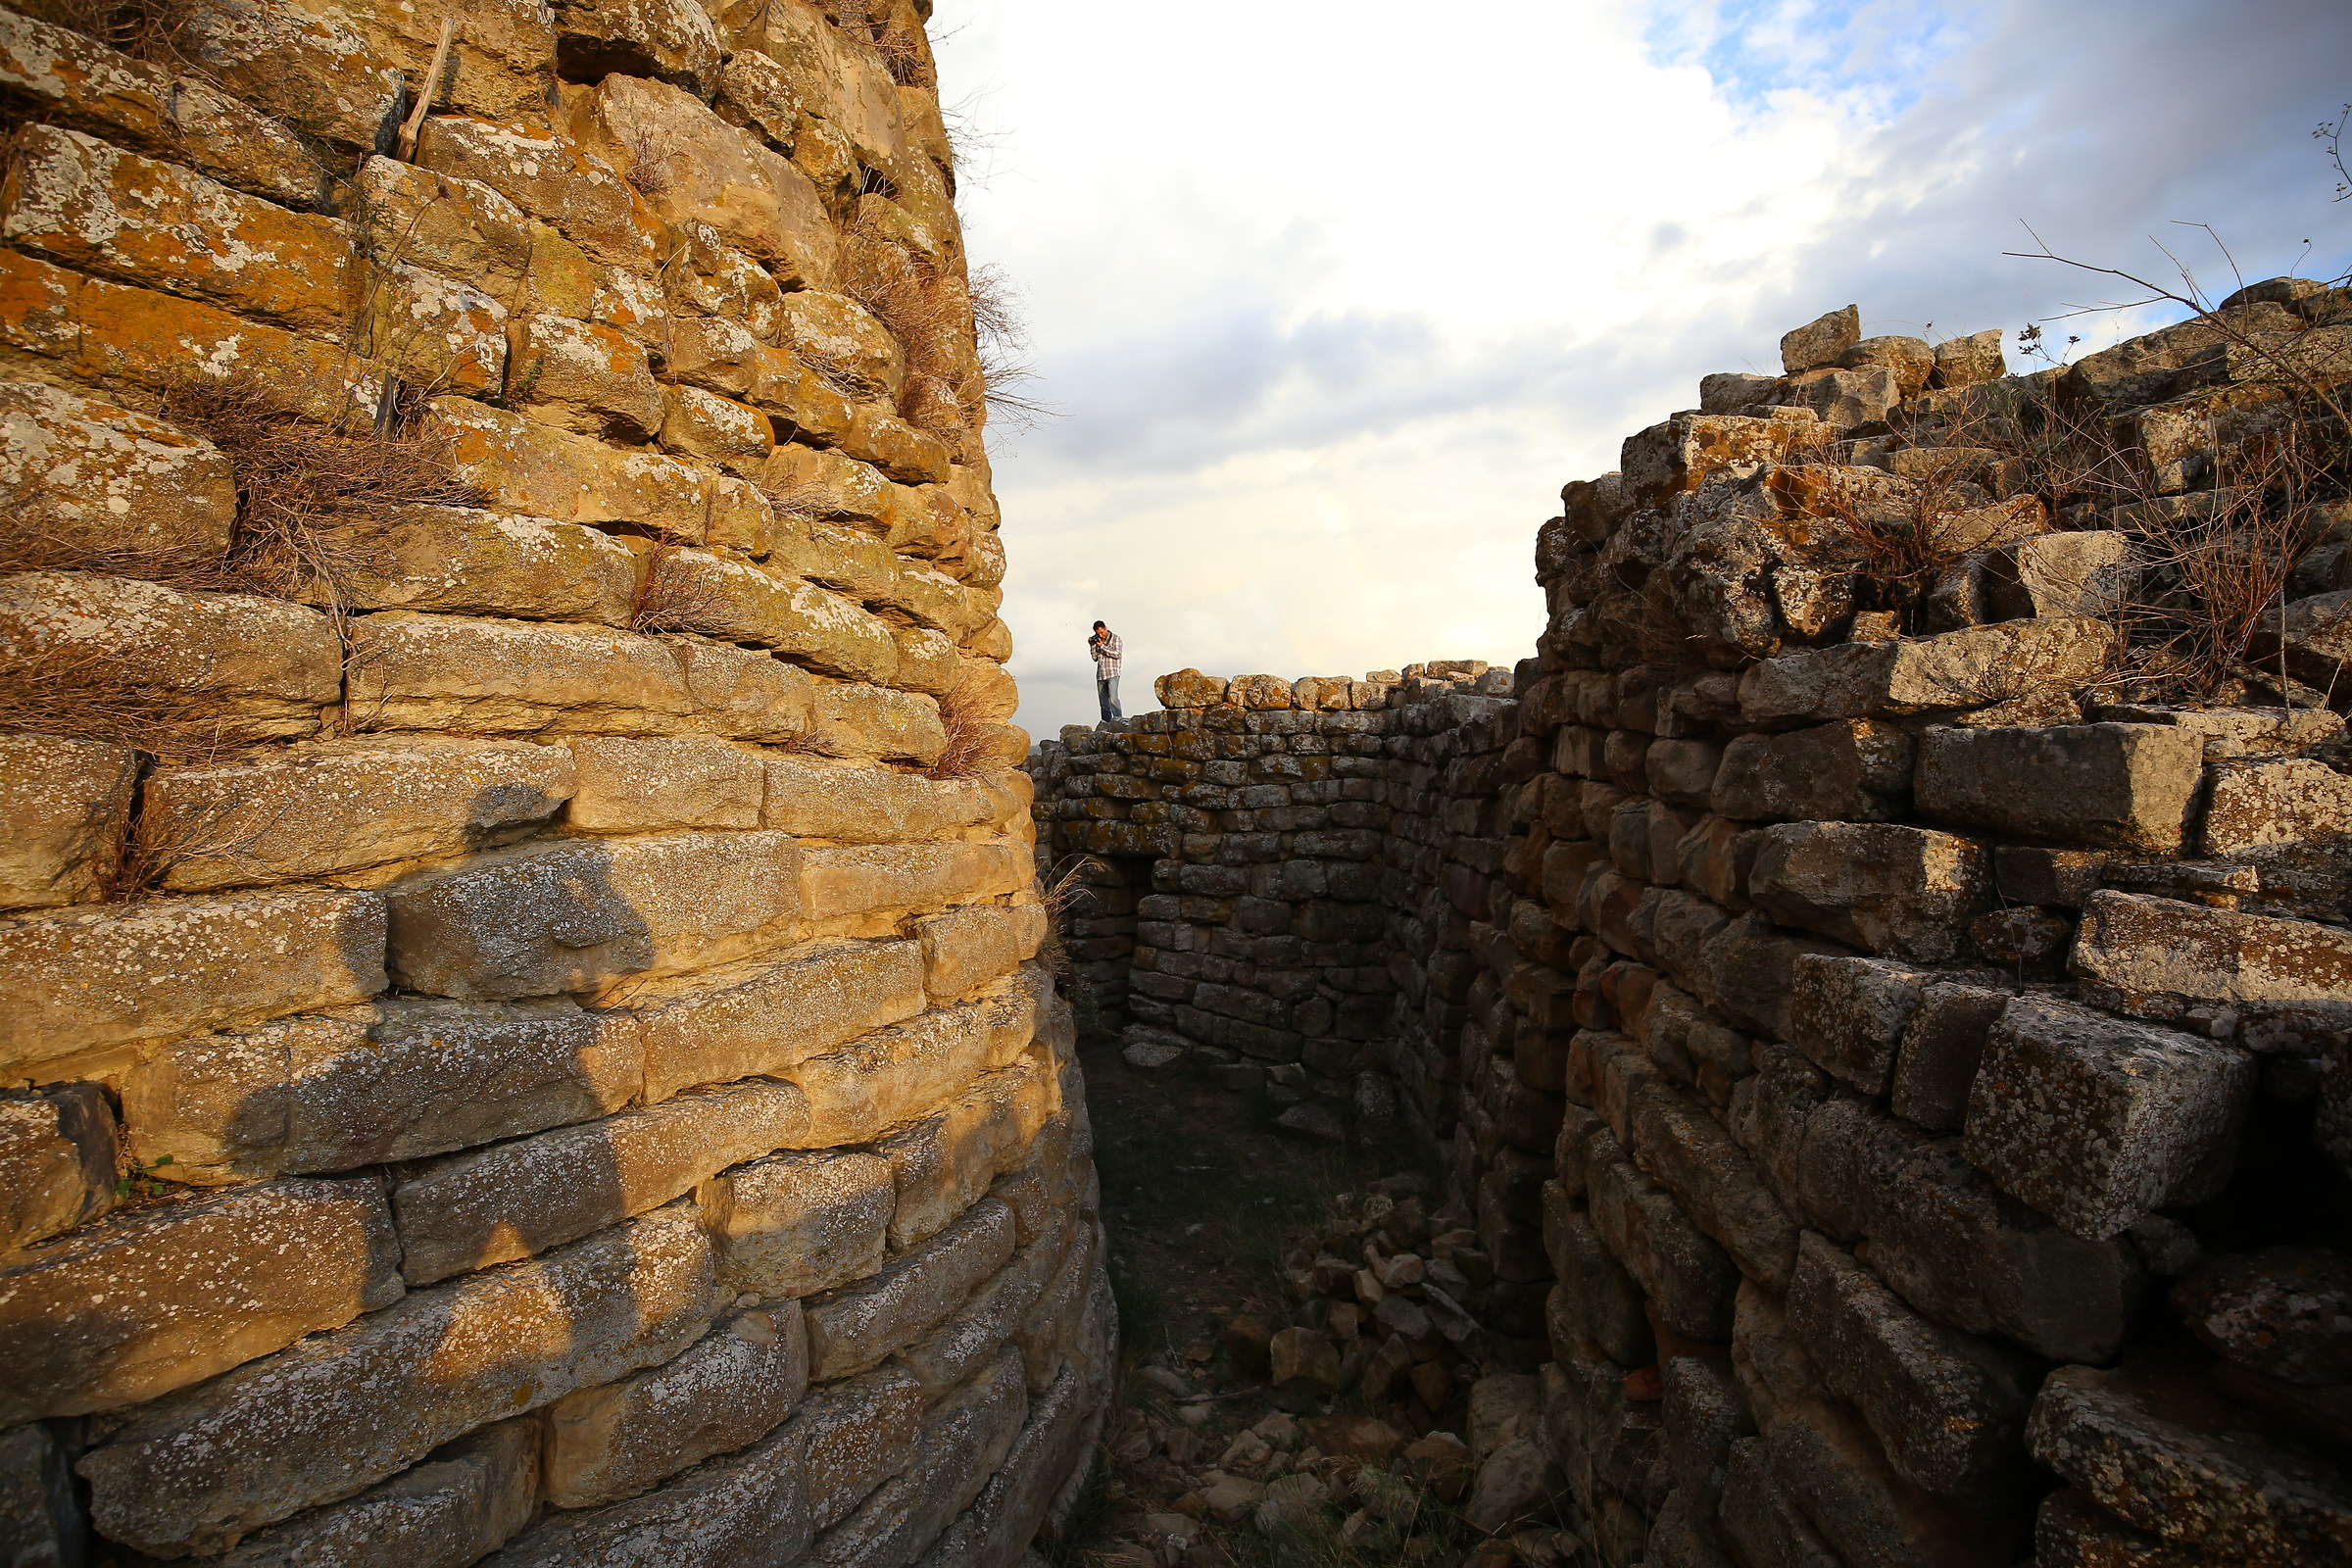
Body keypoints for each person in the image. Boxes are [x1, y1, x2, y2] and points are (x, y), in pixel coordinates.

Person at [1088, 620, 1123, 722]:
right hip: (1101, 675)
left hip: (1112, 674)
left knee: (1113, 699)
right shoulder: (1097, 640)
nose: (1100, 635)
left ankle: (1119, 722)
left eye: (1102, 632)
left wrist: (1102, 646)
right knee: (1104, 704)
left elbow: (1117, 654)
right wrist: (1092, 646)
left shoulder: (1116, 639)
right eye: (1098, 633)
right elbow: (1095, 658)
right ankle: (1106, 725)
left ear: (1106, 628)